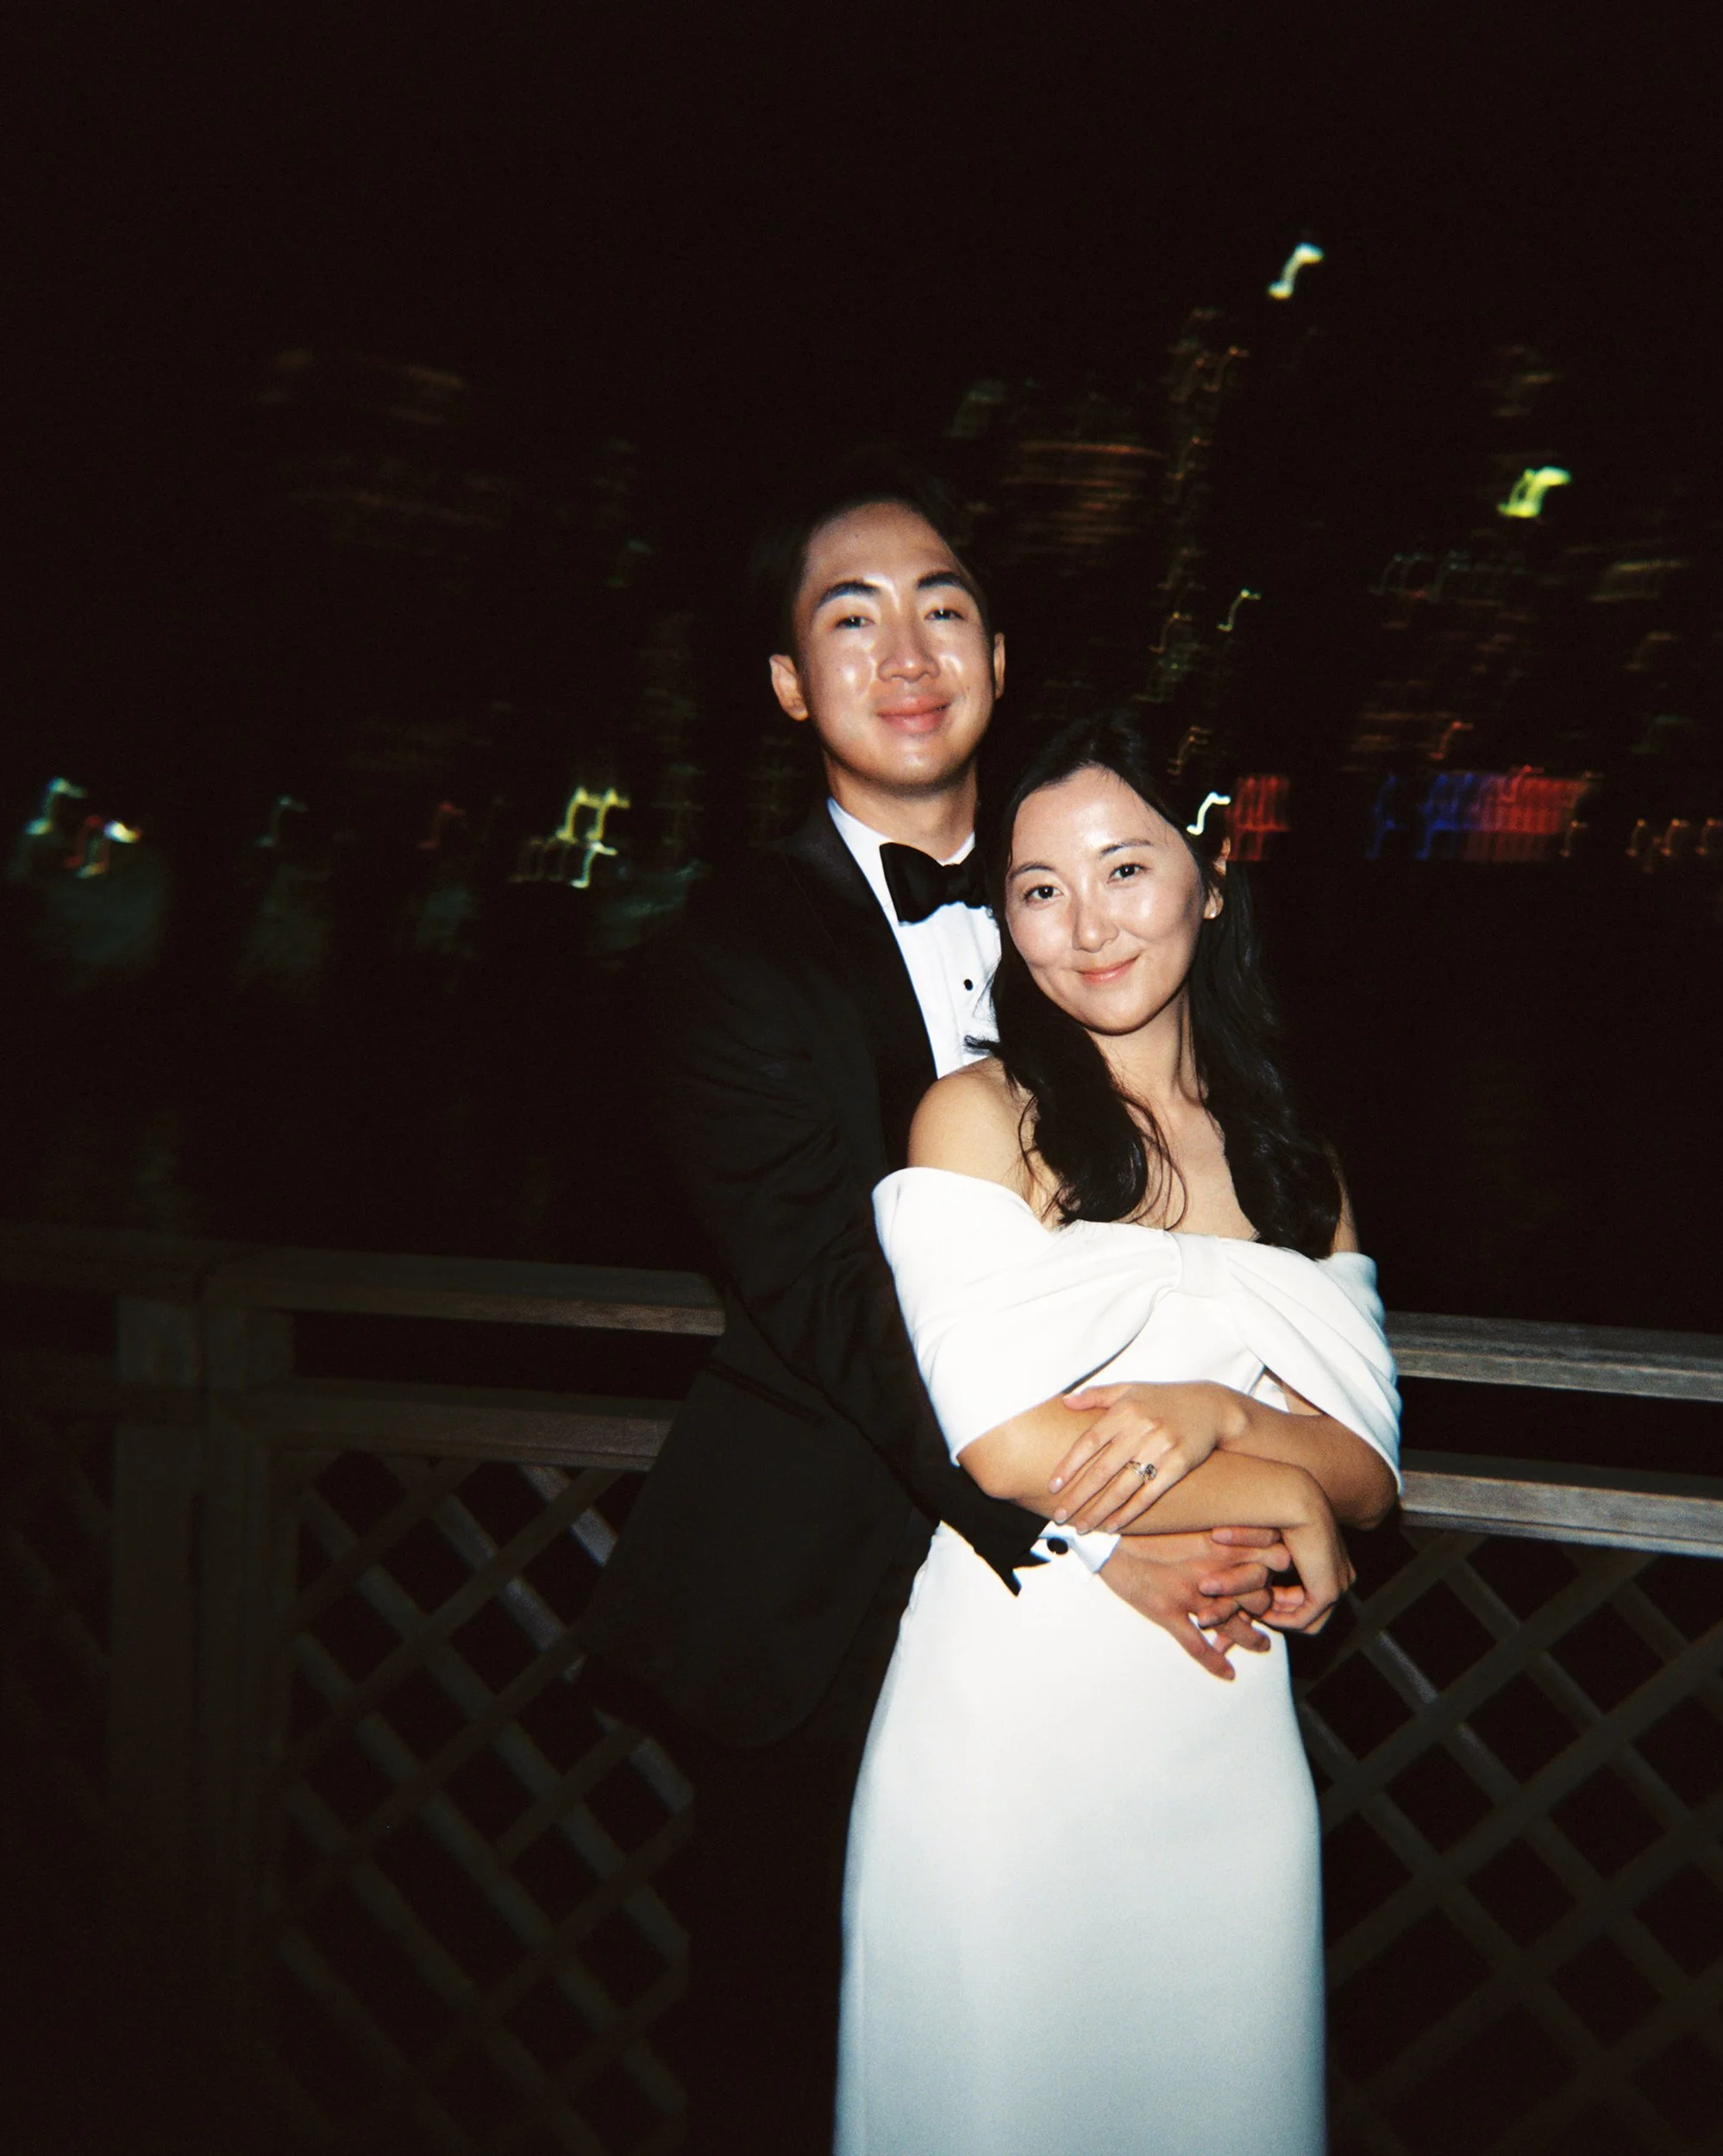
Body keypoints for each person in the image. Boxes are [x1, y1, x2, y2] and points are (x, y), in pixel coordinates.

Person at [576, 455, 1301, 2153]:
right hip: (832, 1590)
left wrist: (1283, 1470)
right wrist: (1086, 1520)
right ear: (783, 685)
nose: (905, 649)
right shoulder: (723, 954)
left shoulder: (1106, 910)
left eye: (943, 607)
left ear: (995, 650)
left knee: (1085, 2048)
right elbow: (832, 1294)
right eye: (850, 618)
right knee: (803, 2057)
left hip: (1108, 1632)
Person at [837, 709, 1403, 2155]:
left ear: (1211, 882)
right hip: (1016, 1710)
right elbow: (1008, 1451)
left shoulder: (1293, 1154)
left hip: (1224, 1727)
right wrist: (1282, 1484)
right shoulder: (976, 1118)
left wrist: (1221, 1419)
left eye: (1126, 870)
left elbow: (1373, 1468)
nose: (1086, 926)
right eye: (1039, 890)